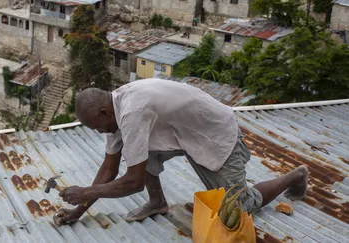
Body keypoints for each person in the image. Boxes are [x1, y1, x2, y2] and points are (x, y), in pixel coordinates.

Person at [54, 79, 308, 225]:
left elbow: (133, 183)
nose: (99, 132)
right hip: (182, 134)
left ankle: (295, 174)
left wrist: (86, 192)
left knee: (242, 205)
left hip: (213, 133)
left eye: (97, 126)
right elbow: (109, 171)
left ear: (103, 113)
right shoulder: (114, 109)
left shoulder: (132, 113)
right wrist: (77, 212)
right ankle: (158, 203)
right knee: (139, 154)